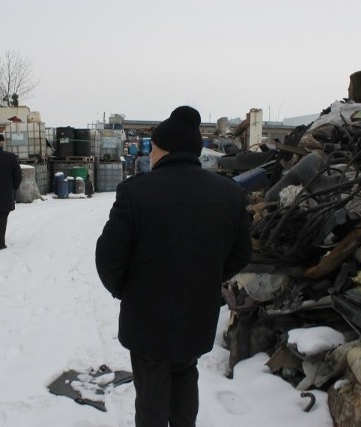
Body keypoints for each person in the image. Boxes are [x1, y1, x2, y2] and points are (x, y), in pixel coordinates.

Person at [95, 106, 252, 426]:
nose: (150, 154)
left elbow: (108, 258)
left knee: (151, 398)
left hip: (147, 320)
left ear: (162, 149)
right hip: (196, 316)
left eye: (152, 148)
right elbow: (241, 254)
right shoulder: (229, 193)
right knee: (184, 382)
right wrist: (207, 278)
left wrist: (128, 291)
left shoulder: (136, 192)